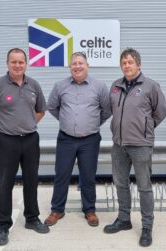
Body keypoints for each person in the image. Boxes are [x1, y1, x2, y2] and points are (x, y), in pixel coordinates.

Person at [0, 48, 49, 246]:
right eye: (14, 62)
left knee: (31, 180)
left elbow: (41, 110)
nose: (18, 65)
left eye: (21, 62)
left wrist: (27, 124)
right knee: (5, 183)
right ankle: (3, 224)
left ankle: (32, 218)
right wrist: (1, 129)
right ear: (7, 63)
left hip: (30, 140)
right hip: (6, 141)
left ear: (26, 64)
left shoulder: (33, 85)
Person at [103, 48, 166, 247]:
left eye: (130, 62)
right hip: (119, 145)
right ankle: (124, 219)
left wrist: (146, 128)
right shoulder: (115, 86)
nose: (126, 66)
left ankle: (147, 226)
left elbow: (161, 112)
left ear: (138, 64)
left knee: (144, 187)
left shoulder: (151, 86)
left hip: (141, 146)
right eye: (123, 63)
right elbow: (110, 110)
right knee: (120, 183)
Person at [45, 52, 111, 227]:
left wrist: (92, 123)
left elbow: (107, 110)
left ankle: (89, 210)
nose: (77, 66)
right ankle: (57, 209)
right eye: (74, 63)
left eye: (81, 63)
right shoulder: (60, 86)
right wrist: (67, 120)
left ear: (87, 65)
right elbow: (52, 107)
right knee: (61, 174)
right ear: (70, 67)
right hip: (66, 139)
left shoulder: (100, 86)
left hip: (90, 140)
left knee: (88, 176)